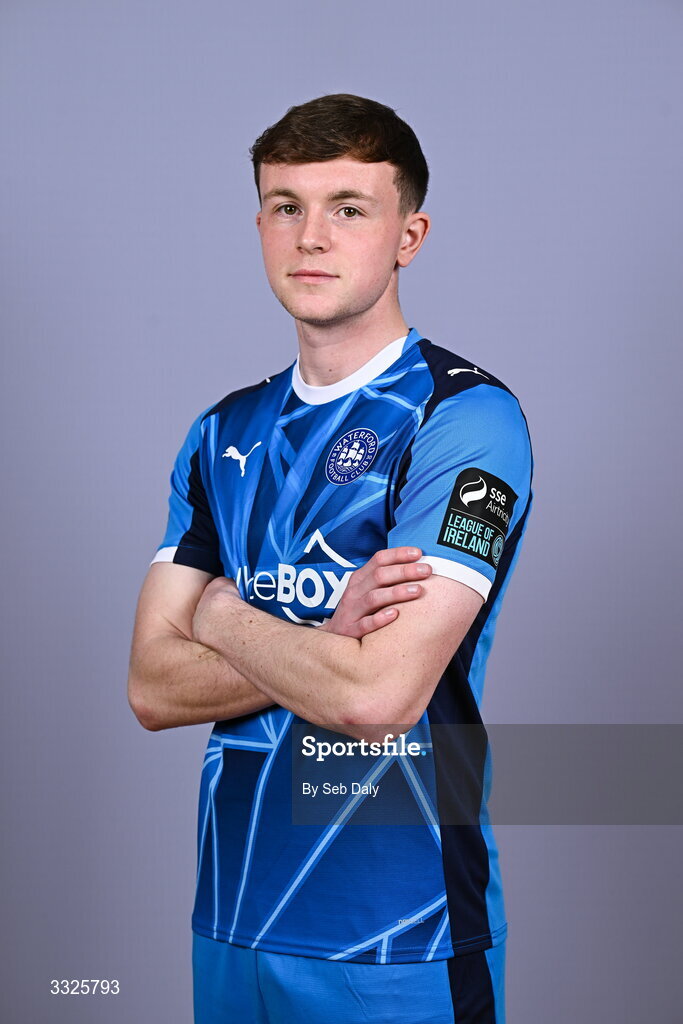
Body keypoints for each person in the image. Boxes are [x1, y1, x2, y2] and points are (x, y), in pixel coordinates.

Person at [128, 93, 533, 1024]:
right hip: (230, 920)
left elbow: (374, 699)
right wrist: (327, 637)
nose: (310, 236)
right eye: (286, 206)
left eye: (349, 208)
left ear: (407, 236)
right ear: (260, 227)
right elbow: (151, 686)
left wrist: (221, 614)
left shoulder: (467, 421)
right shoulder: (221, 432)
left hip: (397, 933)